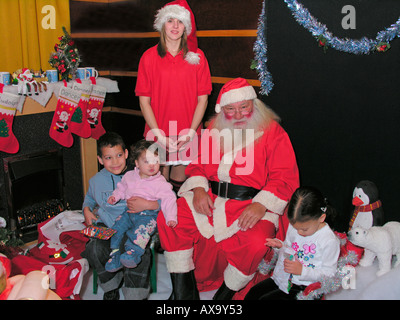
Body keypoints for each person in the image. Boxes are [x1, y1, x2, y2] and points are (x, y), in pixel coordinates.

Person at [157, 77, 300, 299]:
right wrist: (199, 190)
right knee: (171, 216)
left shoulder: (273, 131)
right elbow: (197, 166)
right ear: (222, 110)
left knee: (255, 242)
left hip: (250, 204)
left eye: (244, 107)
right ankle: (184, 293)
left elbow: (284, 177)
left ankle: (225, 295)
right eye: (231, 109)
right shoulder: (215, 127)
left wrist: (261, 205)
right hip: (212, 198)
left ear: (254, 103)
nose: (239, 114)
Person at [135, 0, 212, 193]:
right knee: (157, 187)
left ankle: (177, 223)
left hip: (187, 132)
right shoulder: (148, 57)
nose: (175, 26)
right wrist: (158, 134)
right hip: (157, 130)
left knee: (182, 186)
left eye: (180, 21)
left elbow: (203, 100)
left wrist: (192, 132)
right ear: (162, 24)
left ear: (187, 26)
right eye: (170, 20)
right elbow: (144, 101)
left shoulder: (198, 57)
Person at [81, 132, 159, 300]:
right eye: (108, 158)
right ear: (100, 160)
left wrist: (148, 205)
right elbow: (89, 198)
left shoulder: (142, 175)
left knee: (135, 250)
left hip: (135, 222)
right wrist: (87, 209)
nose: (115, 162)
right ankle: (111, 286)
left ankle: (135, 293)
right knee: (94, 248)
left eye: (118, 155)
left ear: (126, 154)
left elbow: (164, 200)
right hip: (107, 225)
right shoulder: (96, 180)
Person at [245, 186, 340, 300]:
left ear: (321, 218)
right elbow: (291, 248)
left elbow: (329, 275)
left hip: (305, 287)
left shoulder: (329, 240)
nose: (299, 232)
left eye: (304, 229)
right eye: (296, 228)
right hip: (284, 279)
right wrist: (281, 246)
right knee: (254, 293)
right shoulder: (296, 226)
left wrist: (302, 271)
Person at [105, 139, 177, 272]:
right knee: (116, 229)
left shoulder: (160, 183)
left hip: (148, 216)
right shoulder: (129, 176)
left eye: (156, 161)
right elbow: (121, 188)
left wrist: (171, 217)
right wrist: (115, 196)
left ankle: (133, 253)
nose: (152, 165)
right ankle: (114, 255)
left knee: (141, 231)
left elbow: (169, 199)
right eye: (147, 161)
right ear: (137, 163)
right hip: (128, 212)